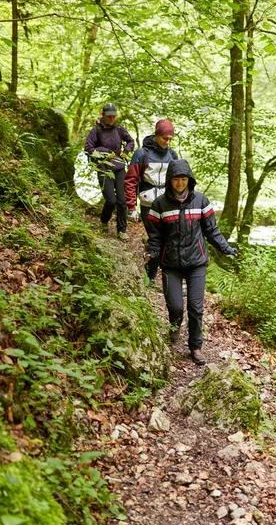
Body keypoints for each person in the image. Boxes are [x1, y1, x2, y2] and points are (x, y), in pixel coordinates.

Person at [145, 159, 238, 365]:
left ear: (189, 180)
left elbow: (212, 231)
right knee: (176, 306)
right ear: (170, 180)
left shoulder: (201, 201)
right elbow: (155, 237)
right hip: (170, 264)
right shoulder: (159, 205)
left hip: (196, 262)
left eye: (184, 179)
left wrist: (226, 248)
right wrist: (151, 254)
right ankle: (174, 326)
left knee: (195, 307)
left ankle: (196, 347)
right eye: (176, 179)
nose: (180, 183)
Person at [124, 119, 178, 284]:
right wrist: (131, 206)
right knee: (157, 240)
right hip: (149, 205)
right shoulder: (142, 154)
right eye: (164, 138)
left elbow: (178, 180)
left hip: (169, 204)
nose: (167, 142)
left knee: (170, 241)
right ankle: (151, 277)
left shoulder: (172, 155)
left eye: (170, 139)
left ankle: (168, 278)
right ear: (157, 135)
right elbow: (130, 181)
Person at [85, 103, 135, 240]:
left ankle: (122, 230)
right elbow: (88, 148)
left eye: (114, 116)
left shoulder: (119, 129)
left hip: (119, 168)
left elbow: (131, 141)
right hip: (103, 168)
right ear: (103, 115)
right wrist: (106, 152)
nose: (112, 119)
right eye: (109, 116)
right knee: (111, 200)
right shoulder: (96, 130)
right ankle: (104, 221)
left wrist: (126, 151)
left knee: (122, 200)